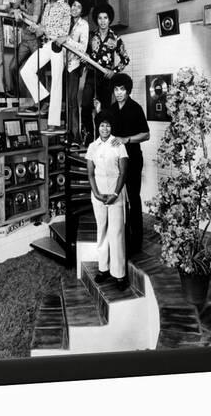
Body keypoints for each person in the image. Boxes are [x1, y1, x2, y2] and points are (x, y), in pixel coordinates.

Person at [20, 0, 71, 134]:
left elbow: (65, 32)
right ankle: (44, 99)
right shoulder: (46, 6)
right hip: (45, 45)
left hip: (58, 46)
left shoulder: (65, 7)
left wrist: (57, 36)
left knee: (56, 83)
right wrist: (36, 29)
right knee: (26, 71)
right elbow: (41, 30)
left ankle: (53, 123)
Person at [107, 73, 150, 255]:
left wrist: (127, 139)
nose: (118, 93)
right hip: (116, 161)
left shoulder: (136, 108)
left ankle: (136, 242)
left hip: (133, 159)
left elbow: (146, 134)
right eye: (116, 89)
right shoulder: (112, 109)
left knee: (133, 198)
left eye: (122, 89)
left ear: (128, 90)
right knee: (117, 199)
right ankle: (120, 238)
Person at [86, 112, 129, 290]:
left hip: (116, 194)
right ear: (98, 126)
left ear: (112, 127)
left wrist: (115, 193)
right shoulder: (92, 146)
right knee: (101, 230)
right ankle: (103, 268)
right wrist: (96, 194)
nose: (105, 128)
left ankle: (119, 274)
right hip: (98, 195)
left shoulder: (118, 145)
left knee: (116, 232)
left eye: (108, 125)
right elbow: (90, 173)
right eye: (102, 125)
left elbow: (123, 172)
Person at [81, 3, 129, 145]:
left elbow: (125, 59)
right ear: (97, 19)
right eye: (100, 18)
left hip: (106, 79)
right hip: (91, 74)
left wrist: (113, 72)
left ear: (109, 20)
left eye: (105, 18)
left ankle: (103, 141)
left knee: (104, 112)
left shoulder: (115, 38)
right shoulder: (91, 37)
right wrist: (84, 59)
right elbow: (85, 55)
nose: (102, 21)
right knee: (85, 105)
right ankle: (89, 135)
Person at [54, 0, 90, 147]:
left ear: (82, 11)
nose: (75, 8)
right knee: (60, 100)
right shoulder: (65, 20)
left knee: (72, 101)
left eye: (79, 7)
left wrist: (67, 40)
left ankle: (75, 136)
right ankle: (63, 134)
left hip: (73, 66)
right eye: (74, 5)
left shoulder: (84, 25)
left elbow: (83, 48)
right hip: (59, 63)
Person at [7, 0, 42, 98]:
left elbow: (35, 19)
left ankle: (40, 101)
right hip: (25, 41)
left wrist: (22, 13)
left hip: (35, 41)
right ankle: (15, 93)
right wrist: (15, 11)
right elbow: (10, 10)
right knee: (12, 67)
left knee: (37, 70)